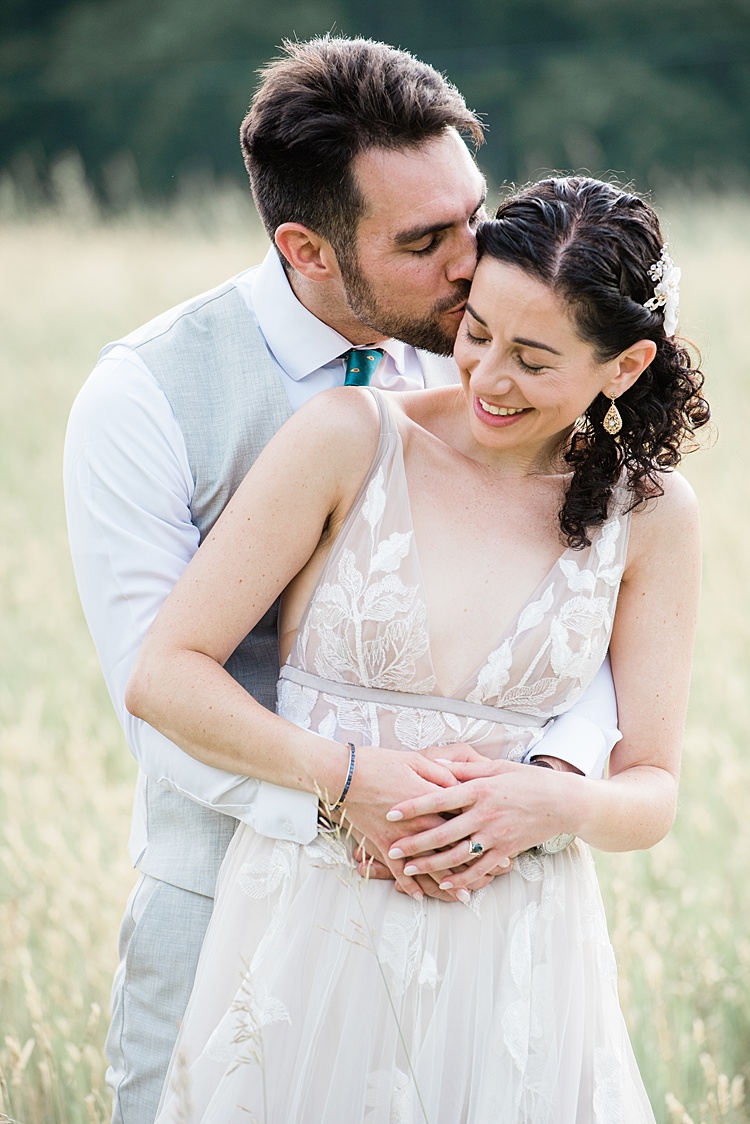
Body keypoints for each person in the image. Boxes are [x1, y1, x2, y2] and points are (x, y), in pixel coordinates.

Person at [64, 38, 619, 1123]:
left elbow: (586, 603)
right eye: (426, 241)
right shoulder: (145, 396)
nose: (472, 263)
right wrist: (352, 795)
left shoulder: (500, 358)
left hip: (474, 926)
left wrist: (540, 781)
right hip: (223, 902)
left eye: (476, 216)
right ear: (306, 248)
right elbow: (158, 693)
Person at [127, 176, 708, 1122]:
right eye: (476, 333)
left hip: (521, 952)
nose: (485, 377)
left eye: (533, 358)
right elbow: (166, 674)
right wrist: (349, 776)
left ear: (626, 363)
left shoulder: (651, 517)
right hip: (310, 929)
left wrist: (552, 803)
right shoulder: (349, 439)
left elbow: (651, 791)